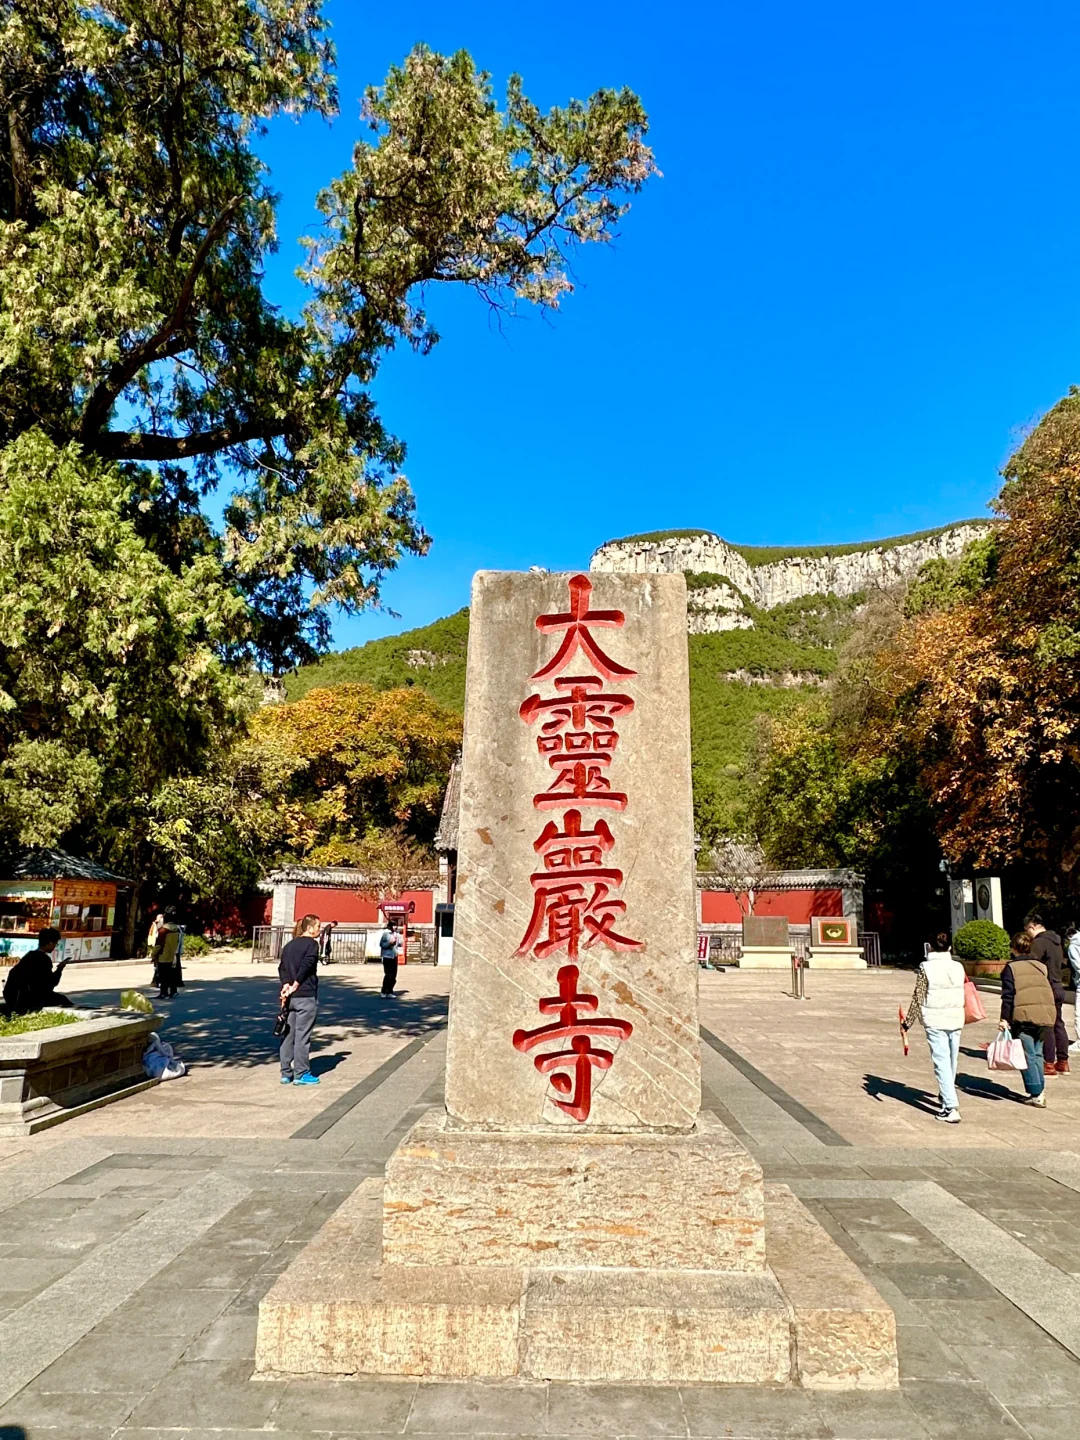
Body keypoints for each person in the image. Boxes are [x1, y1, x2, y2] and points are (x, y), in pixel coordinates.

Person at [901, 932, 967, 1123]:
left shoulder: (926, 967)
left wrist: (907, 1022)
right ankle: (946, 1095)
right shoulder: (958, 966)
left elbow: (918, 995)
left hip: (935, 1019)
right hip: (956, 1016)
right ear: (950, 947)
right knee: (951, 1060)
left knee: (941, 1062)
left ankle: (951, 1106)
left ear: (929, 946)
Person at [1000, 932, 1056, 1107]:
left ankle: (1036, 1092)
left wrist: (1004, 1018)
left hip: (1024, 1016)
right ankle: (1040, 1090)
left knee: (1027, 1055)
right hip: (1045, 1014)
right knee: (1037, 1053)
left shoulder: (1011, 968)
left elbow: (1008, 996)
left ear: (1013, 948)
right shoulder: (1041, 966)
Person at [278, 914, 321, 1085]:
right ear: (309, 928)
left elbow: (282, 967)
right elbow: (307, 964)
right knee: (302, 1035)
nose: (319, 929)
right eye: (318, 926)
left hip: (290, 997)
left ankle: (286, 1072)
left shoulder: (289, 945)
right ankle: (301, 1073)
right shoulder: (312, 944)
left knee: (288, 1034)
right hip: (305, 993)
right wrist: (296, 983)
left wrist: (286, 984)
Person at [1025, 913, 1069, 1075]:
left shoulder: (1039, 942)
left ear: (1032, 926)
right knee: (1058, 1023)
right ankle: (1063, 1061)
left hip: (1046, 987)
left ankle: (1048, 1063)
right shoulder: (1056, 941)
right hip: (1058, 985)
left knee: (1047, 1025)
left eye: (1027, 930)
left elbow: (1032, 964)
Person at [2, 929, 72, 1015]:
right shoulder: (44, 959)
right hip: (29, 999)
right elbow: (50, 984)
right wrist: (60, 969)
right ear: (50, 943)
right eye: (55, 944)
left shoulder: (28, 956)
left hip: (13, 996)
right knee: (63, 1001)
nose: (55, 947)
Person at [152, 908, 183, 999]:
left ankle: (164, 993)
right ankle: (173, 991)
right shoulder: (177, 930)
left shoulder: (163, 930)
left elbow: (158, 944)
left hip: (163, 955)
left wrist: (153, 955)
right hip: (173, 954)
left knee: (163, 975)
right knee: (171, 974)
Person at [379, 919, 400, 997]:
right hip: (387, 956)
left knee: (394, 975)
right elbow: (381, 944)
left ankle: (390, 991)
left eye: (396, 925)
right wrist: (389, 943)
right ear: (390, 926)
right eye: (394, 925)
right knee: (388, 975)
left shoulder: (396, 934)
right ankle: (384, 991)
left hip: (394, 956)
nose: (395, 927)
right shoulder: (386, 934)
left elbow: (400, 943)